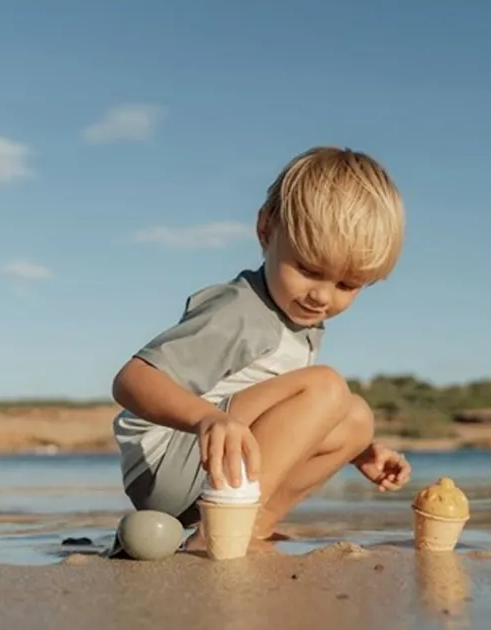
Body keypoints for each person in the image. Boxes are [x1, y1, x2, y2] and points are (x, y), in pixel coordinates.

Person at [109, 146, 412, 556]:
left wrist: (356, 453)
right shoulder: (241, 312)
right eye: (308, 269)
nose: (322, 296)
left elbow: (285, 419)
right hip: (167, 463)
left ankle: (251, 528)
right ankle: (216, 534)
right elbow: (131, 380)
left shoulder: (300, 319)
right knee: (325, 385)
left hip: (211, 466)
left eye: (347, 285)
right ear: (266, 230)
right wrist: (207, 419)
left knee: (356, 417)